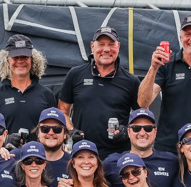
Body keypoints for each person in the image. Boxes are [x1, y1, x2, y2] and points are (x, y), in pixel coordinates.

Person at [138, 14, 191, 150]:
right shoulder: (166, 65)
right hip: (168, 147)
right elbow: (143, 102)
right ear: (181, 37)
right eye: (188, 34)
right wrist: (153, 68)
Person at [58, 26, 140, 156]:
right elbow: (62, 110)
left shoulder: (131, 80)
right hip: (82, 153)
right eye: (101, 44)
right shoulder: (75, 74)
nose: (106, 49)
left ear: (118, 47)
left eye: (111, 44)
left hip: (117, 156)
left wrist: (128, 130)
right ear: (92, 46)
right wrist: (71, 130)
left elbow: (141, 115)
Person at [0, 35, 56, 135]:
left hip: (38, 151)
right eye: (15, 57)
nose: (20, 61)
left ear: (33, 59)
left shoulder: (46, 95)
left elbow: (57, 130)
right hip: (6, 151)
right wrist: (5, 141)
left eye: (25, 56)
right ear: (7, 60)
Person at [103, 108, 179, 187]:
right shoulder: (111, 163)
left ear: (155, 132)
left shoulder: (171, 161)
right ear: (128, 132)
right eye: (136, 128)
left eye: (148, 128)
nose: (142, 133)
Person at [31, 107, 71, 183]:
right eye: (45, 128)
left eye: (57, 129)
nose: (51, 133)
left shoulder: (74, 164)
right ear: (38, 133)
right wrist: (2, 150)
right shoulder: (24, 159)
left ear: (65, 134)